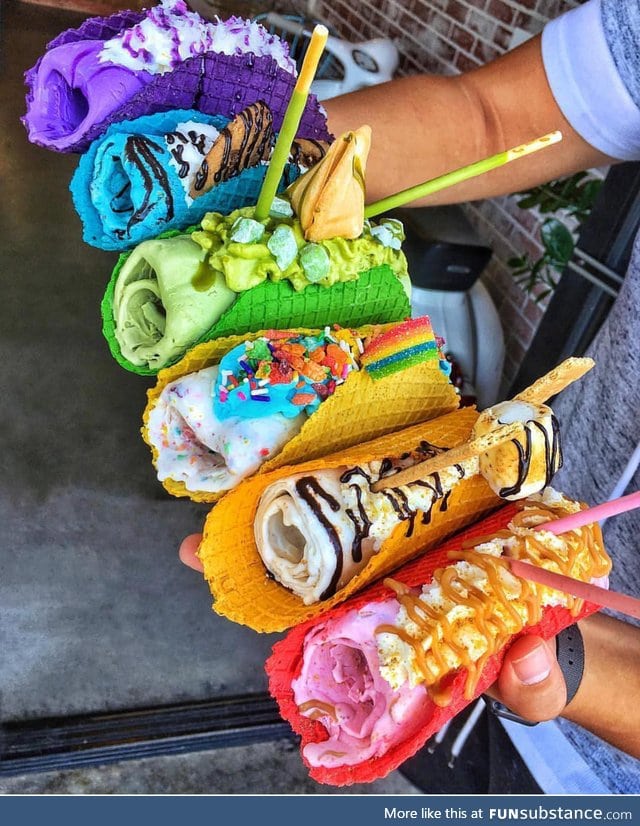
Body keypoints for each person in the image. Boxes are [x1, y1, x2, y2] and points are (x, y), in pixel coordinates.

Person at [179, 0, 640, 789]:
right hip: (505, 516)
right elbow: (490, 119)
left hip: (590, 763)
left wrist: (572, 656)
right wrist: (248, 167)